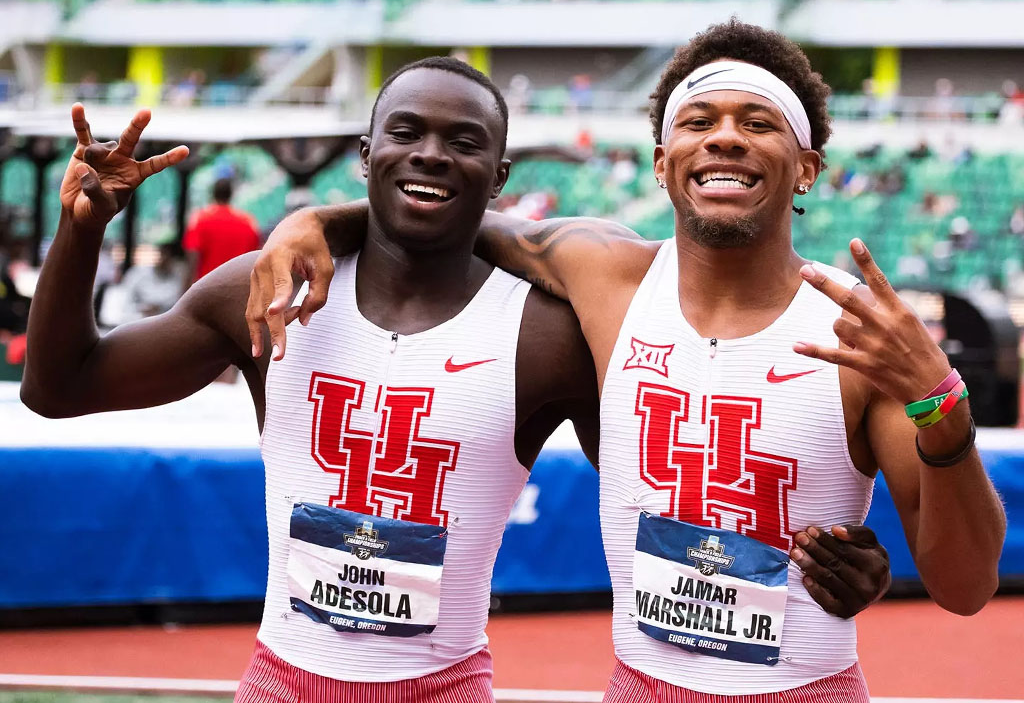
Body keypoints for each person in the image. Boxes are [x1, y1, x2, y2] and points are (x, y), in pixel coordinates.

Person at [24, 56, 887, 703]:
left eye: (463, 142)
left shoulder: (548, 333)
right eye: (406, 135)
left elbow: (674, 494)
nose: (431, 156)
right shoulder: (266, 290)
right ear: (367, 153)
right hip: (282, 679)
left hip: (447, 686)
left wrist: (847, 567)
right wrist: (82, 232)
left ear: (499, 177)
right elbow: (59, 387)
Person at [248, 22, 1003, 701]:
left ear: (806, 169)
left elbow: (966, 588)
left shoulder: (860, 335)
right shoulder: (604, 275)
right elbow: (444, 205)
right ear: (662, 161)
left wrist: (942, 403)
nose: (725, 138)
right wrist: (311, 220)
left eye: (758, 122)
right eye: (699, 121)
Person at [183, 177, 261, 287]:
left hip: (207, 289)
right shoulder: (248, 221)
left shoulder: (199, 219)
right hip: (238, 289)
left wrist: (186, 288)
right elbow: (256, 258)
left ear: (213, 194)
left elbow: (192, 257)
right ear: (231, 194)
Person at [120, 240, 189, 322]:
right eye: (162, 255)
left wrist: (159, 308)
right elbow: (123, 301)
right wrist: (143, 308)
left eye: (169, 258)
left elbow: (176, 304)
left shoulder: (179, 280)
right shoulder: (137, 274)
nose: (164, 260)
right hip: (135, 319)